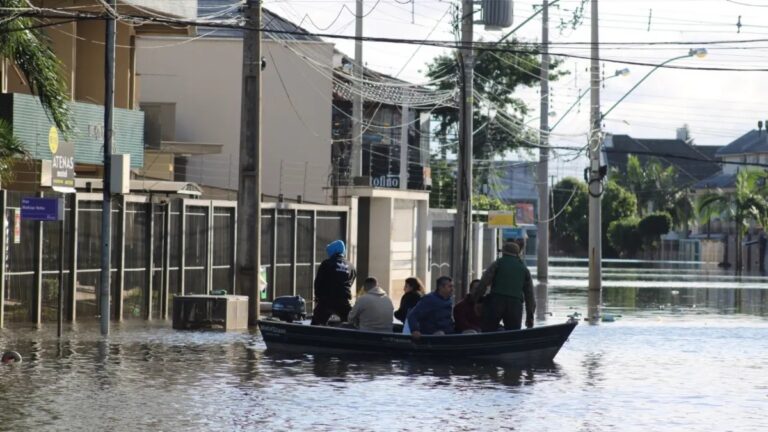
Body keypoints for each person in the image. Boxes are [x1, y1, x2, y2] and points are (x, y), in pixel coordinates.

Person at [474, 242, 536, 332]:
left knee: (487, 332)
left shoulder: (497, 263)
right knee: (513, 334)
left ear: (503, 252)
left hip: (496, 302)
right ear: (517, 254)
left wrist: (477, 300)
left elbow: (483, 283)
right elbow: (530, 295)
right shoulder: (524, 269)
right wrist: (530, 317)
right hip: (515, 305)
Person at [311, 240, 357, 325]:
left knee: (315, 326)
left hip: (326, 300)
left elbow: (318, 282)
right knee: (350, 323)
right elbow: (350, 282)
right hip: (343, 300)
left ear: (333, 251)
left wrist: (318, 296)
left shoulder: (327, 263)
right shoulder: (351, 266)